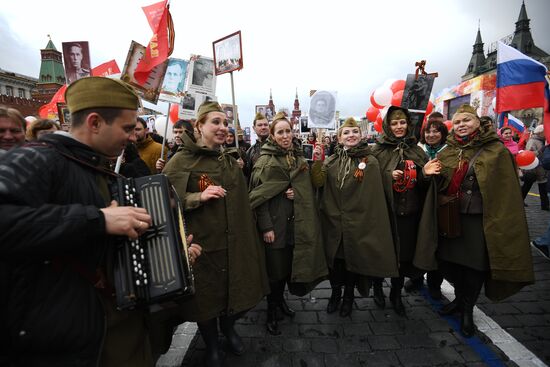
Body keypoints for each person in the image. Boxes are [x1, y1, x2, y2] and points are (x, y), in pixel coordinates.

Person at [0, 77, 201, 366]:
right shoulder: (37, 159)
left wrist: (173, 258)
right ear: (95, 122)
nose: (133, 137)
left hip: (116, 327)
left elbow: (113, 249)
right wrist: (97, 219)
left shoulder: (100, 168)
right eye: (127, 128)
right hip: (70, 339)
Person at [163, 101, 268, 367]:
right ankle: (211, 344)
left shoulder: (229, 160)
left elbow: (241, 203)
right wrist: (199, 196)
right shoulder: (181, 160)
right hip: (203, 245)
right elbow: (166, 202)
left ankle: (229, 328)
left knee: (236, 292)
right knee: (206, 300)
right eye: (215, 122)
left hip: (234, 242)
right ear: (199, 126)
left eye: (225, 123)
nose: (223, 128)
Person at [436, 104, 534, 337]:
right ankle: (459, 300)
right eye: (458, 122)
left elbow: (505, 188)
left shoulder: (496, 150)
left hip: (481, 219)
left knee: (475, 266)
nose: (461, 125)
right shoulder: (448, 150)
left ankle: (468, 310)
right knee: (453, 263)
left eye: (467, 120)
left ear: (478, 123)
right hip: (451, 217)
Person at [249, 112, 327, 335]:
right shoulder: (264, 161)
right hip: (275, 228)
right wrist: (266, 228)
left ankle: (281, 302)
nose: (285, 135)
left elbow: (312, 186)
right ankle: (271, 310)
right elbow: (258, 198)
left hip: (295, 226)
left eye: (288, 131)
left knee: (284, 270)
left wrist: (299, 191)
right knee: (274, 273)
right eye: (280, 132)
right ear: (272, 136)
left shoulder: (299, 159)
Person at [311, 117, 398, 317]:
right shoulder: (331, 161)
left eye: (354, 132)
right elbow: (318, 182)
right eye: (346, 133)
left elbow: (374, 192)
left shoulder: (370, 161)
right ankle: (335, 294)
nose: (351, 136)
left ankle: (348, 296)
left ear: (361, 136)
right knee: (336, 261)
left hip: (358, 223)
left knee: (352, 262)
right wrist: (317, 161)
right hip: (334, 221)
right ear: (339, 138)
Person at [370, 106, 441, 316]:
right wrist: (387, 176)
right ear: (387, 126)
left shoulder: (416, 149)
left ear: (408, 125)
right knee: (381, 253)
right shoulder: (377, 150)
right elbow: (368, 180)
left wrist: (426, 174)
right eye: (394, 123)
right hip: (385, 214)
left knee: (403, 257)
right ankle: (377, 288)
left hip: (409, 214)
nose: (399, 127)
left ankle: (396, 293)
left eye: (402, 123)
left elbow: (421, 185)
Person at [404, 114, 448, 298]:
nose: (431, 135)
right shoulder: (418, 151)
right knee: (419, 241)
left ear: (443, 133)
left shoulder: (448, 151)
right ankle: (416, 277)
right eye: (428, 131)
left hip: (441, 205)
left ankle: (434, 284)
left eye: (436, 131)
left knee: (438, 245)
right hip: (420, 203)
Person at [520, 125, 548, 210]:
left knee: (543, 186)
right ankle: (519, 201)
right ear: (540, 132)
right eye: (545, 132)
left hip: (541, 168)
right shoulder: (532, 141)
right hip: (533, 168)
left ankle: (545, 205)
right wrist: (543, 149)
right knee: (527, 186)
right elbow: (530, 154)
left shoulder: (543, 140)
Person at [244, 112, 270, 179]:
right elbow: (248, 174)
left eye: (265, 125)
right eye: (260, 125)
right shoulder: (250, 151)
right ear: (254, 128)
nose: (263, 127)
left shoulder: (278, 146)